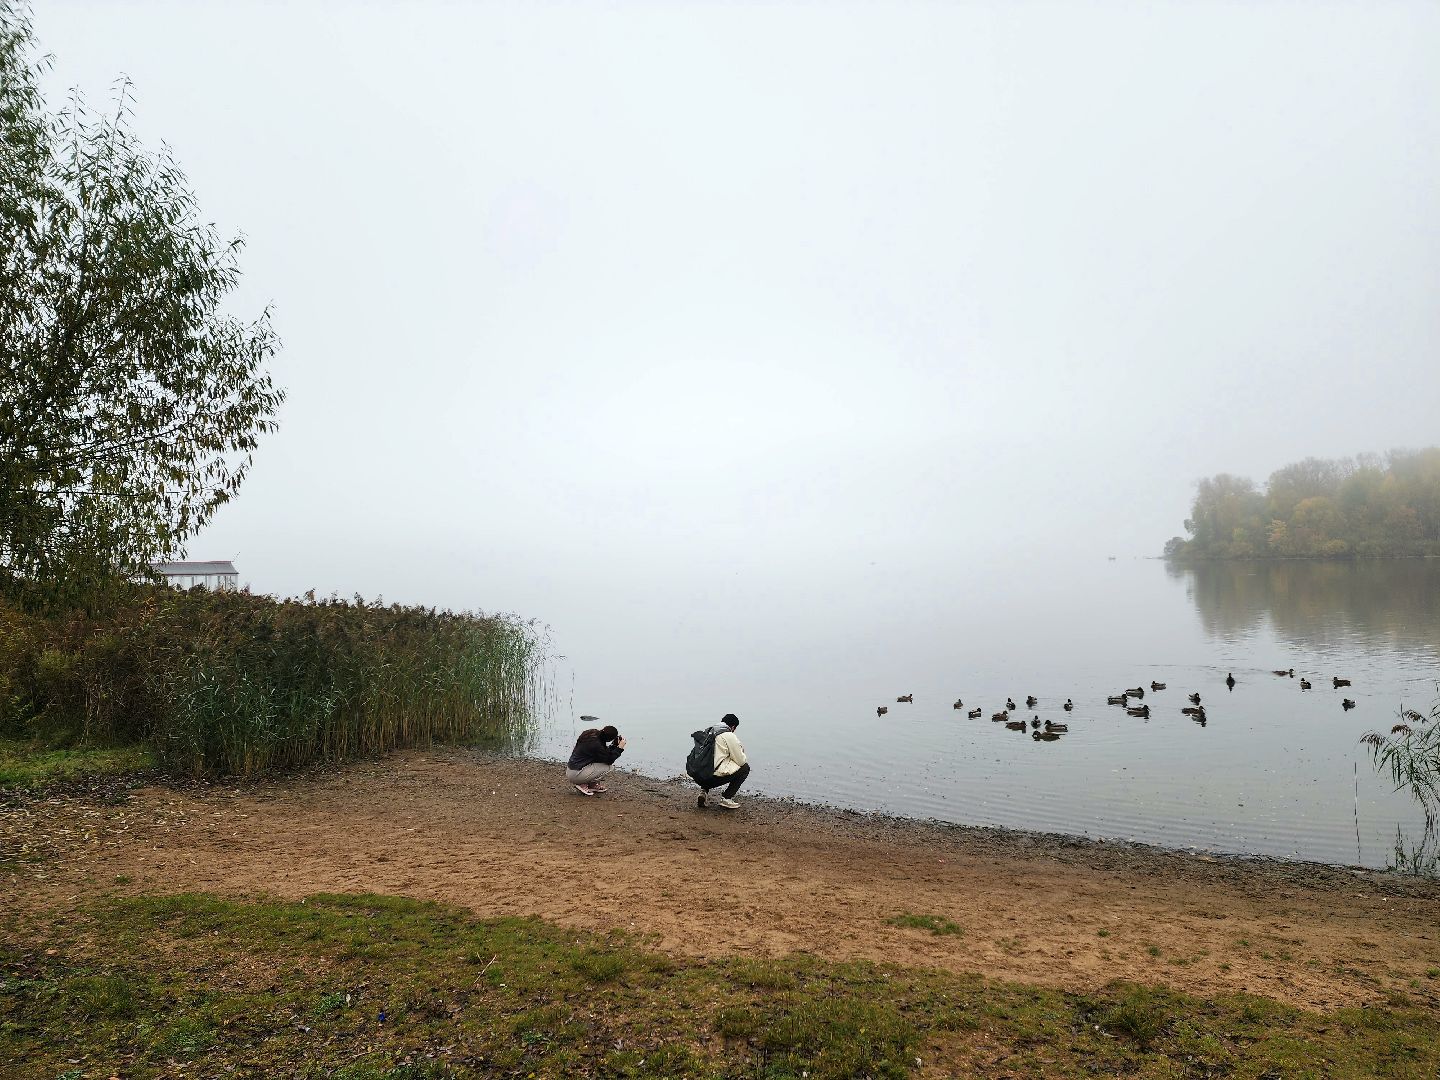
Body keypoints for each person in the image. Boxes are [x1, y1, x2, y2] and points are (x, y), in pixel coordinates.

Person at [696, 713, 749, 810]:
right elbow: (741, 761)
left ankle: (703, 791)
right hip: (712, 778)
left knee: (708, 761)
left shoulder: (709, 731)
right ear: (733, 727)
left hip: (698, 776)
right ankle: (726, 798)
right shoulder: (729, 735)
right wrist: (741, 750)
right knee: (745, 768)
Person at [566, 723, 625, 796]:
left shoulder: (591, 734)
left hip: (571, 769)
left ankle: (591, 785)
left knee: (601, 763)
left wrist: (614, 745)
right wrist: (619, 748)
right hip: (575, 774)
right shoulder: (596, 744)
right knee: (609, 767)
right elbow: (609, 760)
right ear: (609, 739)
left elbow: (604, 755)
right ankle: (582, 784)